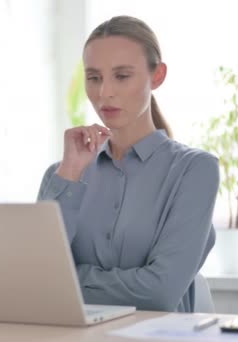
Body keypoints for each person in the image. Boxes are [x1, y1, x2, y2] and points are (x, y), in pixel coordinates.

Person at [37, 15, 219, 312]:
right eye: (94, 77)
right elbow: (33, 281)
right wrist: (69, 176)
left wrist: (66, 283)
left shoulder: (195, 170)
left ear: (157, 76)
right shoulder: (61, 175)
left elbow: (160, 293)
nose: (104, 92)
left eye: (122, 76)